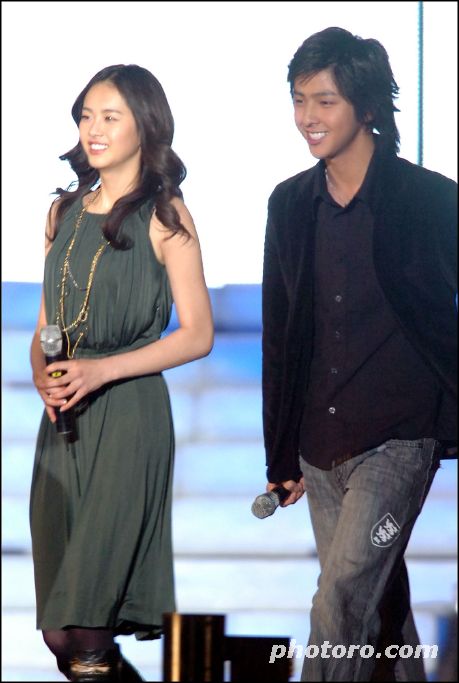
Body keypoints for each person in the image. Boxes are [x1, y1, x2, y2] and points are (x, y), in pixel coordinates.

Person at [262, 27, 457, 682]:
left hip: (400, 439)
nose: (307, 117)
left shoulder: (430, 200)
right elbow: (280, 334)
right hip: (320, 447)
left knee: (341, 597)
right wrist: (280, 453)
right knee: (378, 608)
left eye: (325, 101)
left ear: (366, 106)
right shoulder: (290, 204)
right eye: (299, 100)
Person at [29, 64, 213, 681]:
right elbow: (46, 326)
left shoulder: (166, 215)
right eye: (87, 116)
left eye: (110, 116)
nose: (94, 129)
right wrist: (43, 374)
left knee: (87, 623)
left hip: (130, 418)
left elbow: (198, 334)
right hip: (64, 424)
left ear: (146, 126)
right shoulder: (61, 214)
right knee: (59, 633)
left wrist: (101, 372)